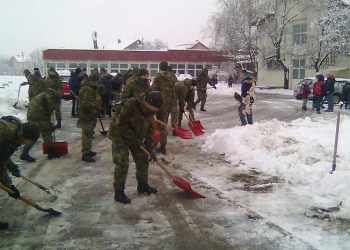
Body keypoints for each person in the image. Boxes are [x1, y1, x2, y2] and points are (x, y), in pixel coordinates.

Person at [107, 91, 164, 204]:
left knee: (143, 159)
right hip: (119, 136)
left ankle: (142, 185)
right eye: (155, 107)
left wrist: (150, 149)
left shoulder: (150, 112)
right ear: (148, 102)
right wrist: (133, 138)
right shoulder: (130, 104)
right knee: (122, 163)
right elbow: (120, 124)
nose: (156, 110)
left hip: (135, 137)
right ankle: (119, 192)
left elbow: (149, 132)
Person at [0, 116, 41, 230]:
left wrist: (8, 184)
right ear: (28, 137)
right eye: (31, 141)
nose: (28, 144)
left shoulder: (14, 137)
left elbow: (1, 157)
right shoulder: (7, 131)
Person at [27, 88, 62, 159]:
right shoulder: (50, 95)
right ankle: (51, 152)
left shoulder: (45, 95)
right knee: (47, 131)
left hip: (32, 114)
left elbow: (47, 112)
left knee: (34, 133)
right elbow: (51, 106)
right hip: (38, 114)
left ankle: (25, 152)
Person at [150, 61, 176, 154]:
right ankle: (163, 146)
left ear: (160, 67)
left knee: (151, 125)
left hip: (157, 104)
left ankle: (151, 145)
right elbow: (175, 90)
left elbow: (153, 89)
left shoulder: (158, 77)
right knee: (163, 126)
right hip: (167, 104)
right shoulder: (173, 77)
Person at [78, 73, 102, 162]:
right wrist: (96, 107)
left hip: (88, 114)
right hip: (86, 114)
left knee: (89, 133)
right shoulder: (88, 89)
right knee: (87, 133)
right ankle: (85, 153)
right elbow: (86, 103)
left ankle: (88, 150)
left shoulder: (88, 88)